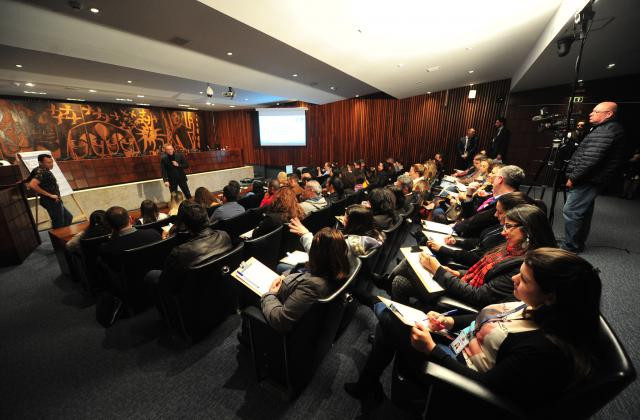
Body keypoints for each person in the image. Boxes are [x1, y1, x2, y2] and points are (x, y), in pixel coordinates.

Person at [345, 248, 602, 409]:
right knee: (391, 322)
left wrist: (433, 349)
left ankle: (364, 303)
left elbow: (485, 387)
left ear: (551, 297)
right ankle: (369, 383)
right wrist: (448, 321)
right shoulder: (536, 307)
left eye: (523, 279)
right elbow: (485, 317)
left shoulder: (543, 350)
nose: (514, 278)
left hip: (456, 371)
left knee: (389, 318)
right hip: (459, 342)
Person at [391, 205, 557, 308]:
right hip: (464, 283)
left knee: (401, 279)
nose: (503, 232)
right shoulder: (512, 247)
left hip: (469, 300)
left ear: (527, 231)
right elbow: (482, 271)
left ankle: (401, 328)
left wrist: (439, 272)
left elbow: (480, 296)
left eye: (508, 227)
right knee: (407, 271)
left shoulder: (525, 265)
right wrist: (458, 274)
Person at [144, 202, 233, 324]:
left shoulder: (179, 253)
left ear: (185, 226)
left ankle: (170, 320)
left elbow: (166, 284)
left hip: (193, 302)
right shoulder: (225, 236)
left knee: (151, 276)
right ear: (207, 218)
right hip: (221, 293)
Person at [563, 101, 626, 253]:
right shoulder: (605, 128)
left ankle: (570, 247)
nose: (591, 114)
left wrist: (573, 177)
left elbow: (590, 160)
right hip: (593, 179)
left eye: (596, 111)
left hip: (588, 179)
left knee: (571, 211)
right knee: (583, 211)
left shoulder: (607, 130)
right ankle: (576, 243)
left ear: (609, 114)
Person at [260, 228, 351, 333]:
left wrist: (270, 295)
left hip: (276, 300)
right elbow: (303, 271)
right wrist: (284, 276)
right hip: (285, 289)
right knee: (281, 268)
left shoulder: (313, 286)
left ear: (317, 254)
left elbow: (281, 320)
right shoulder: (336, 267)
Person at [427, 192, 541, 268]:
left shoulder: (511, 236)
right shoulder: (503, 227)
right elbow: (481, 242)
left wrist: (444, 250)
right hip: (469, 263)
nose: (495, 215)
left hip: (470, 264)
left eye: (500, 212)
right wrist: (457, 241)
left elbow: (479, 258)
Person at [453, 165, 525, 238]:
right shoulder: (497, 196)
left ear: (500, 179)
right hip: (466, 232)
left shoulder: (507, 202)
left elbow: (475, 223)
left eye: (494, 174)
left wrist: (454, 227)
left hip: (473, 240)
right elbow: (473, 216)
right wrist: (469, 195)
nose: (489, 175)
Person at [27, 154, 73, 228]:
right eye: (48, 163)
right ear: (40, 163)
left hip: (54, 200)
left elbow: (28, 180)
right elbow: (32, 185)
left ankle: (63, 235)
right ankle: (58, 238)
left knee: (68, 217)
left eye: (51, 162)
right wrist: (50, 195)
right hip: (50, 201)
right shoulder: (42, 172)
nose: (51, 164)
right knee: (58, 223)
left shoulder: (38, 169)